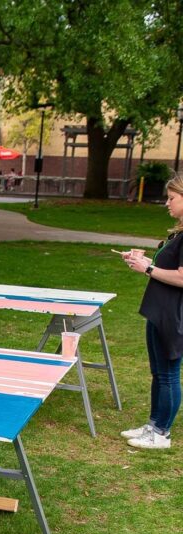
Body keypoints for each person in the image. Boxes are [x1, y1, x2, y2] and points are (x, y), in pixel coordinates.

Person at [120, 173, 183, 449]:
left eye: (171, 198)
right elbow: (164, 270)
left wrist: (147, 268)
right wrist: (142, 261)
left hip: (173, 314)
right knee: (159, 372)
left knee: (169, 374)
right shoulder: (178, 234)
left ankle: (161, 433)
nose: (167, 204)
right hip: (160, 311)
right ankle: (153, 425)